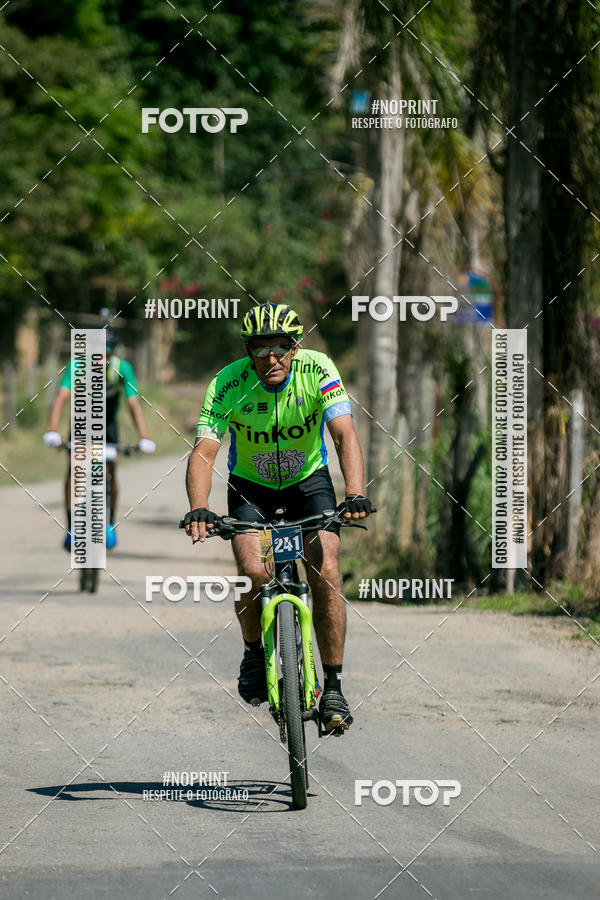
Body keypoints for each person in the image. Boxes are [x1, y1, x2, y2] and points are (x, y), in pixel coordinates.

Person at [182, 302, 375, 732]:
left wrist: (356, 493)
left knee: (326, 570)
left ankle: (335, 686)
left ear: (296, 347)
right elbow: (205, 453)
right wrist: (199, 506)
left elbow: (344, 435)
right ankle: (253, 652)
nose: (271, 358)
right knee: (252, 570)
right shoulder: (228, 383)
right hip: (250, 486)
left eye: (281, 348)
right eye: (260, 349)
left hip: (309, 483)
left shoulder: (318, 370)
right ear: (248, 352)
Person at [43, 326, 155, 549]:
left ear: (113, 353)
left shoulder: (123, 369)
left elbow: (133, 404)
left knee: (111, 471)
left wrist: (143, 436)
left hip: (108, 427)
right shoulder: (77, 367)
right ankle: (71, 528)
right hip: (81, 424)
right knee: (73, 472)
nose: (102, 358)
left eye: (108, 353)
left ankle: (110, 524)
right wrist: (53, 431)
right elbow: (61, 398)